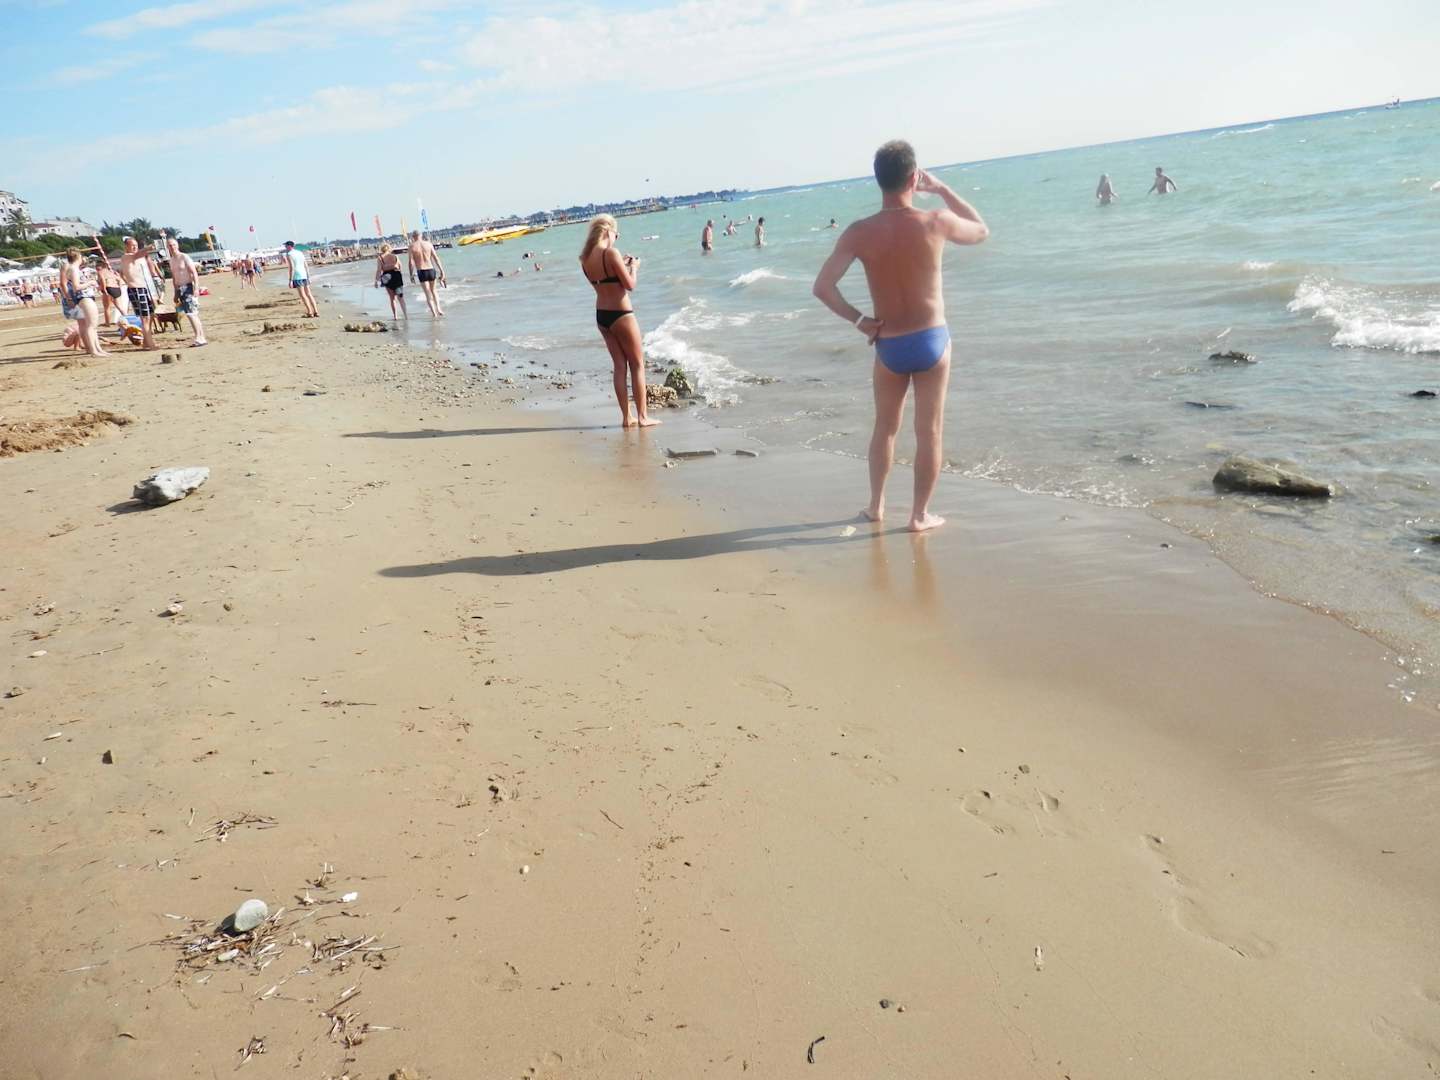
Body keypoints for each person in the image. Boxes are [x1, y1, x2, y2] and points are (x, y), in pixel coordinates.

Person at [812, 140, 988, 533]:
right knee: (929, 432)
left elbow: (822, 287)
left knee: (885, 428)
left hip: (889, 343)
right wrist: (941, 189)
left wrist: (860, 320)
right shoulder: (935, 220)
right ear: (914, 178)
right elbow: (981, 230)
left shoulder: (859, 232)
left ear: (878, 180)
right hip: (931, 341)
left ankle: (876, 506)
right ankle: (919, 515)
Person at [579, 213, 659, 428]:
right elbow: (630, 285)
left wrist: (621, 264)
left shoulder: (585, 258)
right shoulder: (611, 253)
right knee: (637, 364)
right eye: (616, 234)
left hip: (602, 315)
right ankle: (643, 417)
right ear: (607, 231)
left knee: (619, 366)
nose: (616, 238)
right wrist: (634, 268)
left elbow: (603, 280)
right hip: (621, 314)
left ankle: (626, 417)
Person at [58, 249, 108, 357]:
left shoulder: (71, 267)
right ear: (78, 256)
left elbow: (66, 284)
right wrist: (69, 299)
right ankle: (92, 349)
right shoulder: (70, 267)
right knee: (88, 324)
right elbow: (64, 284)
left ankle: (92, 348)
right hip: (77, 297)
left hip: (76, 297)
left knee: (84, 324)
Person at [165, 237, 208, 347]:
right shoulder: (171, 260)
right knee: (190, 313)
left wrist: (196, 288)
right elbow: (174, 277)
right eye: (169, 245)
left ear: (177, 245)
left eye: (173, 245)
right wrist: (175, 292)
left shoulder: (184, 257)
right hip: (180, 289)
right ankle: (200, 336)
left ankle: (199, 337)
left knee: (192, 313)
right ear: (167, 247)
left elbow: (194, 273)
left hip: (188, 286)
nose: (172, 247)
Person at [119, 236, 159, 350]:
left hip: (144, 288)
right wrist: (148, 248)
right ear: (126, 247)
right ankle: (151, 344)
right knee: (145, 317)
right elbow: (136, 255)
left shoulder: (139, 258)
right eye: (132, 245)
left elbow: (122, 272)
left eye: (136, 245)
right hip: (136, 289)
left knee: (151, 315)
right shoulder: (126, 257)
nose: (134, 247)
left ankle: (146, 341)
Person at [406, 230, 446, 317]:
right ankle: (439, 309)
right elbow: (436, 258)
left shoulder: (412, 246)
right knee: (434, 291)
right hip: (431, 269)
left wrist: (411, 274)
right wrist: (442, 271)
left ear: (413, 237)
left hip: (421, 271)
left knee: (427, 293)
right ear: (421, 235)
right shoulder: (428, 244)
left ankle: (434, 313)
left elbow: (411, 262)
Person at [282, 241, 319, 317]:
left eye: (286, 246)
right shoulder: (300, 252)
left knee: (303, 295)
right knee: (309, 294)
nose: (285, 247)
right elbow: (306, 265)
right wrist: (308, 276)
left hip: (297, 276)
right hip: (304, 275)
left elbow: (292, 267)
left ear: (289, 246)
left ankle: (310, 312)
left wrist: (290, 280)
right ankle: (316, 311)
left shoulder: (289, 254)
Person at [374, 243, 408, 319]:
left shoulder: (380, 258)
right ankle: (406, 315)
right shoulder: (395, 256)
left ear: (382, 250)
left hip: (387, 277)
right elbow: (400, 266)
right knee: (400, 297)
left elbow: (379, 270)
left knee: (392, 298)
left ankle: (395, 316)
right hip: (396, 275)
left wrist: (376, 281)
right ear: (389, 249)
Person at [97, 258, 125, 325]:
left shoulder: (101, 272)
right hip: (116, 289)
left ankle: (107, 323)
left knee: (107, 307)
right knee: (119, 306)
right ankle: (127, 318)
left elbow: (103, 280)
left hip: (109, 288)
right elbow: (119, 279)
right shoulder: (111, 272)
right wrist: (119, 286)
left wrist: (104, 289)